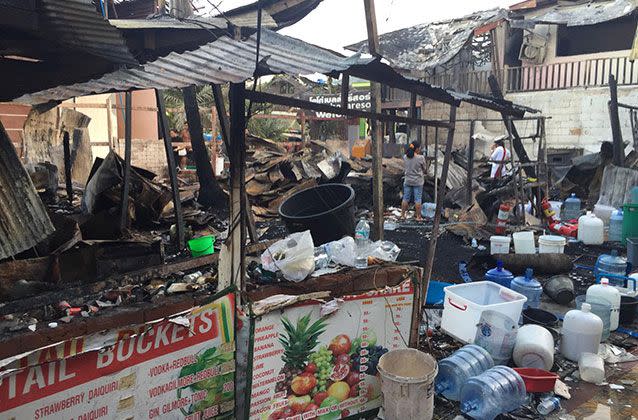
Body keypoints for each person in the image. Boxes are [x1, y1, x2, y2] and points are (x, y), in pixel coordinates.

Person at [401, 140, 427, 221]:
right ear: (416, 149)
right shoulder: (420, 158)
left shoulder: (405, 157)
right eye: (419, 148)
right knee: (418, 199)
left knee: (405, 198)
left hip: (408, 180)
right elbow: (425, 169)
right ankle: (418, 217)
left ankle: (402, 215)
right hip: (418, 182)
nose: (420, 149)